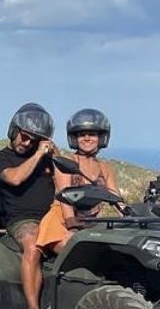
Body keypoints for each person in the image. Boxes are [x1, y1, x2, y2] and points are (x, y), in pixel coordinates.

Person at [0, 103, 58, 309]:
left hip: (52, 217)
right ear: (13, 130)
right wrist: (39, 154)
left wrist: (58, 157)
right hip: (22, 219)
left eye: (33, 140)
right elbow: (15, 178)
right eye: (24, 136)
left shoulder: (46, 160)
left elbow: (67, 182)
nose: (26, 142)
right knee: (33, 245)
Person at [33, 108, 122, 255]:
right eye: (82, 134)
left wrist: (131, 216)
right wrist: (71, 227)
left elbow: (116, 197)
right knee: (81, 254)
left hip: (91, 225)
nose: (87, 138)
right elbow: (65, 197)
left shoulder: (104, 167)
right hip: (61, 223)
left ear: (101, 137)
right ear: (75, 138)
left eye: (92, 134)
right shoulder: (67, 161)